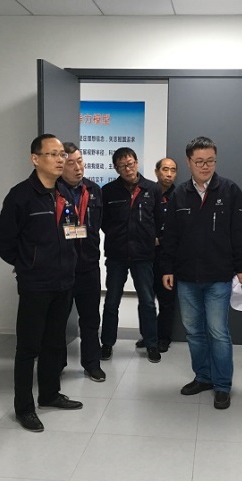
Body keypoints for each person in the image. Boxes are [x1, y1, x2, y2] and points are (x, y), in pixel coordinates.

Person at [0, 134, 83, 432]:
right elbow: (1, 240)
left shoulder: (65, 193)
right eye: (53, 154)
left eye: (62, 154)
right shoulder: (21, 196)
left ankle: (49, 394)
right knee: (28, 347)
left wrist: (72, 260)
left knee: (54, 342)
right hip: (36, 284)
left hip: (63, 282)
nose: (60, 159)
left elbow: (73, 232)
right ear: (35, 159)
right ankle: (24, 407)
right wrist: (25, 264)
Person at [161, 137, 242, 410]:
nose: (205, 166)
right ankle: (203, 377)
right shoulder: (179, 194)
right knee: (194, 332)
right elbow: (170, 236)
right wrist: (167, 268)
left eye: (210, 161)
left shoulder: (230, 190)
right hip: (187, 276)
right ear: (189, 162)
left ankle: (222, 385)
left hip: (218, 276)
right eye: (199, 161)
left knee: (218, 332)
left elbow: (239, 232)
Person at [100, 147, 164, 363]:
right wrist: (118, 236)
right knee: (111, 302)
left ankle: (151, 343)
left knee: (147, 301)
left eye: (130, 164)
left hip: (143, 255)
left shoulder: (152, 189)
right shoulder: (108, 191)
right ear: (116, 168)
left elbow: (159, 219)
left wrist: (152, 237)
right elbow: (104, 222)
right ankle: (107, 343)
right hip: (116, 255)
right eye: (122, 166)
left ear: (137, 163)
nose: (127, 169)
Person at [58, 142, 106, 382]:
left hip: (88, 265)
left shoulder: (94, 190)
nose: (78, 168)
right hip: (61, 267)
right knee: (57, 320)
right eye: (71, 163)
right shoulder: (53, 190)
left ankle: (92, 363)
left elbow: (99, 224)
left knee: (90, 318)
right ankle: (56, 364)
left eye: (80, 162)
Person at [135, 157, 178, 352]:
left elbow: (180, 229)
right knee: (146, 298)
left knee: (167, 300)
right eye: (165, 169)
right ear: (156, 172)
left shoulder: (179, 195)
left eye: (173, 170)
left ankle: (163, 337)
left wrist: (160, 240)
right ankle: (147, 335)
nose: (169, 174)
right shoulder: (147, 192)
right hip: (145, 255)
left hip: (168, 256)